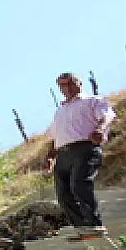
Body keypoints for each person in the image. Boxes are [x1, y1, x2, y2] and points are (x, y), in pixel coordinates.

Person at [42, 72, 117, 241]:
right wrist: (50, 156)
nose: (67, 87)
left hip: (84, 148)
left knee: (79, 185)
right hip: (63, 154)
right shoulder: (59, 112)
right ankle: (83, 229)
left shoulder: (92, 101)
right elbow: (55, 136)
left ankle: (95, 224)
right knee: (63, 193)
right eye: (63, 85)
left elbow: (107, 116)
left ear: (79, 83)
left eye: (70, 83)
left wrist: (99, 129)